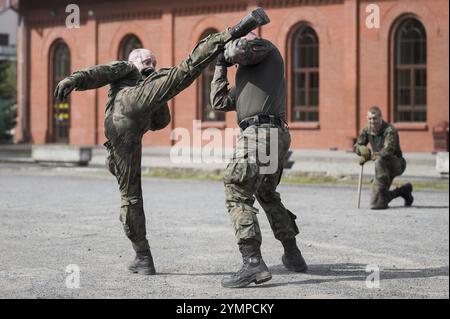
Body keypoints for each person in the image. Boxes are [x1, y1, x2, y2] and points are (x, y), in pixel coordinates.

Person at [54, 8, 270, 275]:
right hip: (127, 129)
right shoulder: (128, 70)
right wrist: (77, 79)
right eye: (144, 60)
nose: (147, 62)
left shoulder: (135, 73)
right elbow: (112, 79)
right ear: (136, 62)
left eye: (149, 61)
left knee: (130, 197)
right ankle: (142, 258)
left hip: (124, 126)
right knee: (185, 69)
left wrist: (76, 79)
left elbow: (107, 78)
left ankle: (143, 256)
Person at [210, 32, 307, 288]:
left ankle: (252, 263)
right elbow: (219, 101)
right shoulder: (245, 81)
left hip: (261, 133)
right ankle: (294, 255)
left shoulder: (266, 49)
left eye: (245, 39)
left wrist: (227, 49)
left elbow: (242, 50)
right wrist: (220, 64)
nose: (242, 43)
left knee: (236, 190)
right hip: (271, 135)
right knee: (267, 193)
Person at [353, 106, 414, 210]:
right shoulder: (367, 129)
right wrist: (361, 149)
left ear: (381, 117)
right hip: (381, 167)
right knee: (374, 203)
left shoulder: (390, 130)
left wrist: (369, 157)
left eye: (375, 118)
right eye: (370, 119)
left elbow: (387, 152)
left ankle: (382, 193)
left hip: (396, 164)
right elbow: (356, 145)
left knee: (379, 160)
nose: (372, 121)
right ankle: (404, 191)